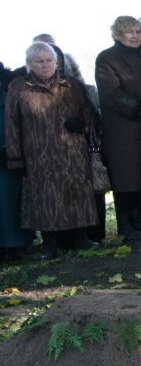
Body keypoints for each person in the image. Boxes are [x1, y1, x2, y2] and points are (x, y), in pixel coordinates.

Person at [4, 42, 99, 259]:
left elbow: (92, 115)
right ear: (29, 64)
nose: (45, 65)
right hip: (38, 155)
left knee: (78, 194)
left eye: (49, 60)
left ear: (57, 62)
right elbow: (11, 125)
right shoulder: (18, 87)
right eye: (39, 61)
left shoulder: (72, 85)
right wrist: (16, 158)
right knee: (43, 199)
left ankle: (81, 240)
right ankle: (48, 245)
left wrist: (82, 122)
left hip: (72, 153)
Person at [94, 16, 141, 241]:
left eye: (138, 30)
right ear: (118, 33)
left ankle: (137, 221)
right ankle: (125, 225)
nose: (136, 35)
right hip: (121, 130)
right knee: (124, 178)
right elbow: (111, 94)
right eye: (130, 31)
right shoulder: (107, 58)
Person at [0, 62, 34, 263]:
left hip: (11, 155)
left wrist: (13, 150)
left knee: (12, 202)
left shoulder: (11, 86)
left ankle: (15, 245)